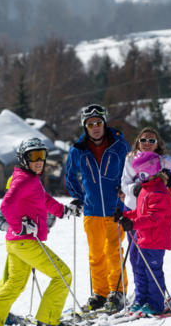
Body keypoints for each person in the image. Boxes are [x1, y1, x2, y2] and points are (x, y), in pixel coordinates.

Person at [0, 138, 82, 326]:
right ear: (23, 159)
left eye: (42, 156)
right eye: (33, 156)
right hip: (24, 241)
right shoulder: (23, 181)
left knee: (14, 285)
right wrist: (20, 227)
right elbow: (6, 205)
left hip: (16, 242)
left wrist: (64, 211)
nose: (39, 161)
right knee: (62, 275)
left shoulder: (30, 180)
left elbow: (45, 199)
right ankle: (47, 320)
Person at [119, 127, 171, 307]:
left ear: (157, 145)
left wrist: (169, 180)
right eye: (143, 140)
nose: (146, 143)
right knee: (136, 259)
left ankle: (153, 300)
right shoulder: (131, 158)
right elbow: (124, 183)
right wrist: (135, 189)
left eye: (151, 141)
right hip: (134, 209)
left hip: (148, 216)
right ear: (138, 141)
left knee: (148, 260)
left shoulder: (161, 162)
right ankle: (142, 297)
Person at [64, 104, 131, 312]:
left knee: (113, 252)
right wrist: (78, 198)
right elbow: (69, 175)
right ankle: (100, 293)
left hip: (116, 209)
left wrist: (126, 189)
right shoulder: (78, 150)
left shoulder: (120, 145)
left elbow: (130, 170)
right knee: (96, 254)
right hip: (92, 211)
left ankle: (117, 292)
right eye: (90, 124)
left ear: (104, 123)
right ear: (85, 126)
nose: (95, 127)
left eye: (98, 123)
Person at [115, 151, 171, 315]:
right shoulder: (145, 190)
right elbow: (140, 213)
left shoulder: (158, 192)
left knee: (153, 271)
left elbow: (152, 218)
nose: (138, 176)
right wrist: (125, 215)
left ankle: (155, 303)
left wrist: (132, 223)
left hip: (156, 240)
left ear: (150, 171)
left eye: (141, 172)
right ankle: (141, 299)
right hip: (144, 239)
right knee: (140, 268)